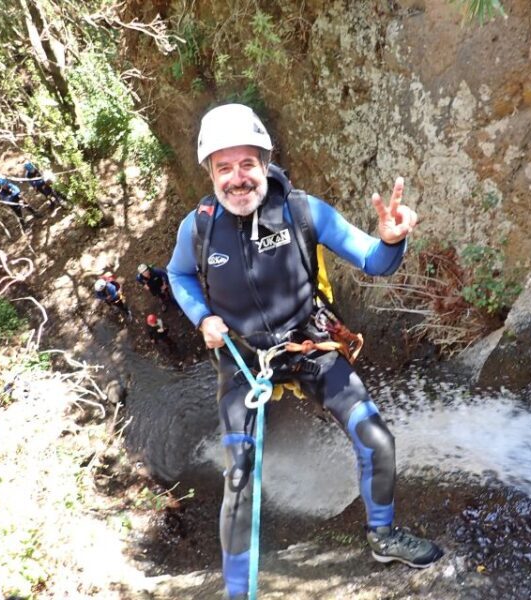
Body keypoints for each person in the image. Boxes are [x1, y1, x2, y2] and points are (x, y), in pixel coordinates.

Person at [167, 104, 442, 600]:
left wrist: (391, 241)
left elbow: (373, 261)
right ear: (209, 172)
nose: (237, 179)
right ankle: (236, 592)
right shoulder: (199, 228)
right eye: (223, 168)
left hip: (306, 344)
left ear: (265, 161)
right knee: (240, 480)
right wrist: (201, 317)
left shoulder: (301, 211)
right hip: (244, 359)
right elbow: (178, 275)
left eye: (246, 164)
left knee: (377, 440)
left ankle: (382, 537)